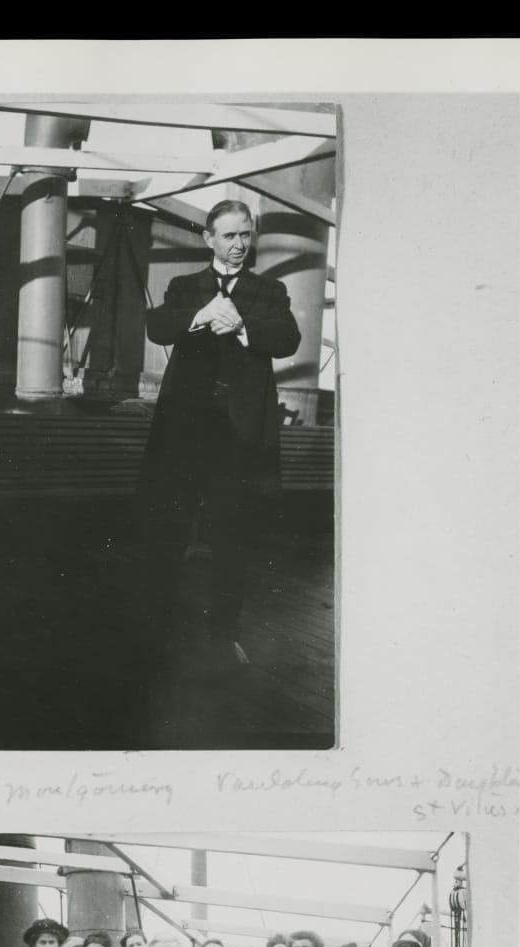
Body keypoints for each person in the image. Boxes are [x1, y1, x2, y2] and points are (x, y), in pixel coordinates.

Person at [138, 200, 302, 668]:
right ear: (208, 238)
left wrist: (244, 327)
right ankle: (157, 633)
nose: (238, 246)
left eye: (245, 235)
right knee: (169, 533)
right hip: (185, 431)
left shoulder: (269, 290)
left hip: (238, 436)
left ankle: (222, 636)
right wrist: (201, 314)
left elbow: (288, 337)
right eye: (228, 236)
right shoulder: (185, 286)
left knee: (232, 537)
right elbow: (157, 327)